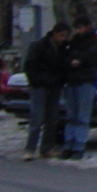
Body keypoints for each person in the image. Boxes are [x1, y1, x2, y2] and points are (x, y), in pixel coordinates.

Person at [61, 15, 97, 160]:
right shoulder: (75, 40)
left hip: (86, 80)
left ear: (87, 26)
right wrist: (75, 59)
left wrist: (78, 58)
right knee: (71, 116)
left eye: (80, 27)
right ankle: (68, 145)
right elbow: (67, 55)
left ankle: (79, 145)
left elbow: (91, 57)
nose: (78, 31)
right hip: (73, 80)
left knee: (82, 116)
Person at [22, 23, 69, 161]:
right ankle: (30, 149)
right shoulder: (39, 46)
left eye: (65, 36)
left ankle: (47, 147)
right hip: (40, 86)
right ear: (54, 33)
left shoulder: (63, 48)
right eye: (61, 35)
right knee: (37, 118)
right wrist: (36, 82)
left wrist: (60, 80)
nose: (63, 39)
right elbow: (30, 66)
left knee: (52, 119)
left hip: (54, 85)